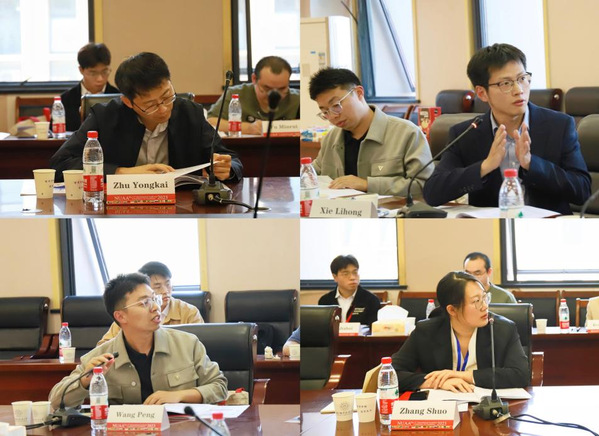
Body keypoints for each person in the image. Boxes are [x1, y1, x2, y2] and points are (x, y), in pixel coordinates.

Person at [423, 43, 590, 215]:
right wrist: (485, 166)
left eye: (522, 78)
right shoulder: (466, 133)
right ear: (482, 93)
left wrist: (532, 164)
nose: (518, 90)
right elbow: (432, 193)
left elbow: (582, 190)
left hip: (547, 226)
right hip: (492, 228)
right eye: (505, 83)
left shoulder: (559, 126)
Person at [50, 52, 243, 182]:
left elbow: (232, 160)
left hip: (180, 206)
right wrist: (121, 172)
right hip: (119, 209)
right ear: (128, 102)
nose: (163, 109)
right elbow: (60, 164)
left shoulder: (190, 113)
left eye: (167, 96)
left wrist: (226, 169)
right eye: (151, 104)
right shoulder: (105, 116)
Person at [49, 273, 227, 408]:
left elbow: (219, 386)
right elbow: (55, 401)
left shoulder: (187, 344)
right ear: (121, 316)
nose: (156, 307)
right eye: (145, 303)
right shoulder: (100, 357)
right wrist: (84, 381)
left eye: (154, 299)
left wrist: (180, 396)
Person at [391, 271, 529, 393]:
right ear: (452, 310)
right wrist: (437, 383)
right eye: (476, 301)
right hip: (442, 408)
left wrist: (461, 375)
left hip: (486, 406)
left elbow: (521, 375)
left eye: (485, 298)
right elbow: (391, 374)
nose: (485, 306)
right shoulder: (427, 331)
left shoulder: (502, 329)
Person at [308, 68, 433, 196]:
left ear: (359, 93)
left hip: (390, 208)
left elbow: (424, 185)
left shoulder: (407, 133)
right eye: (325, 112)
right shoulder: (331, 139)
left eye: (336, 105)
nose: (333, 116)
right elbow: (311, 176)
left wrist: (367, 184)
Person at [97, 261, 204, 346]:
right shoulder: (130, 315)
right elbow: (103, 348)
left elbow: (201, 346)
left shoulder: (189, 312)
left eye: (168, 284)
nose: (165, 291)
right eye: (157, 286)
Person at [207, 56, 299, 135]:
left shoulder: (298, 99)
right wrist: (248, 128)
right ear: (254, 79)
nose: (274, 95)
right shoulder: (235, 94)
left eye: (282, 89)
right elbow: (211, 121)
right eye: (267, 88)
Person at [60, 43, 120, 132]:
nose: (100, 79)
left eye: (104, 72)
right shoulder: (67, 99)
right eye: (93, 73)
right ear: (81, 70)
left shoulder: (119, 97)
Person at [318, 255, 381, 326]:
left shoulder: (371, 300)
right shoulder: (325, 301)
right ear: (335, 277)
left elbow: (373, 329)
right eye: (345, 274)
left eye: (355, 272)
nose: (352, 277)